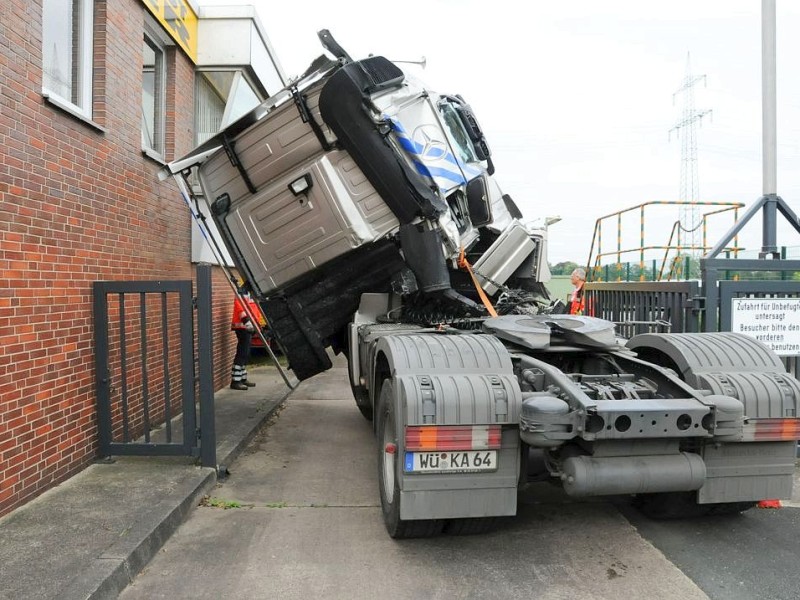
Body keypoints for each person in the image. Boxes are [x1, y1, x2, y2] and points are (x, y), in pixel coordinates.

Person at [230, 287, 266, 391]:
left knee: (246, 353)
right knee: (242, 353)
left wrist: (258, 325)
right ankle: (236, 381)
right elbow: (239, 306)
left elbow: (255, 309)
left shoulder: (251, 291)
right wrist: (246, 321)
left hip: (249, 326)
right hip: (243, 326)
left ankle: (242, 378)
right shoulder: (243, 290)